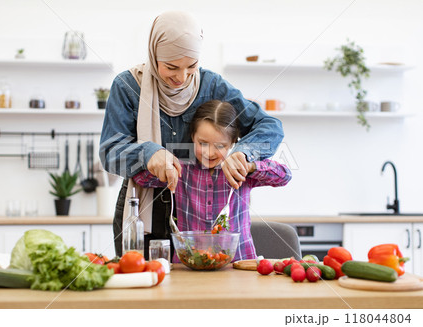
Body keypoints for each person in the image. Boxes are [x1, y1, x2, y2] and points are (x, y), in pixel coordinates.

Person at [99, 11, 284, 258]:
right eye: (171, 67)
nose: (182, 77)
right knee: (143, 287)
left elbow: (269, 125)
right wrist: (147, 153)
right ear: (154, 56)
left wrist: (243, 154)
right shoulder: (128, 87)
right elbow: (110, 152)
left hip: (196, 215)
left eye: (192, 66)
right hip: (143, 209)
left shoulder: (212, 85)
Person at [132, 100, 292, 262]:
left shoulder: (241, 169)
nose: (210, 152)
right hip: (190, 263)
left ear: (233, 143)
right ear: (193, 137)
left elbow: (284, 176)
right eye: (203, 143)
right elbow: (139, 178)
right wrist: (159, 164)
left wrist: (250, 166)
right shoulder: (181, 168)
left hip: (239, 263)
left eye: (220, 146)